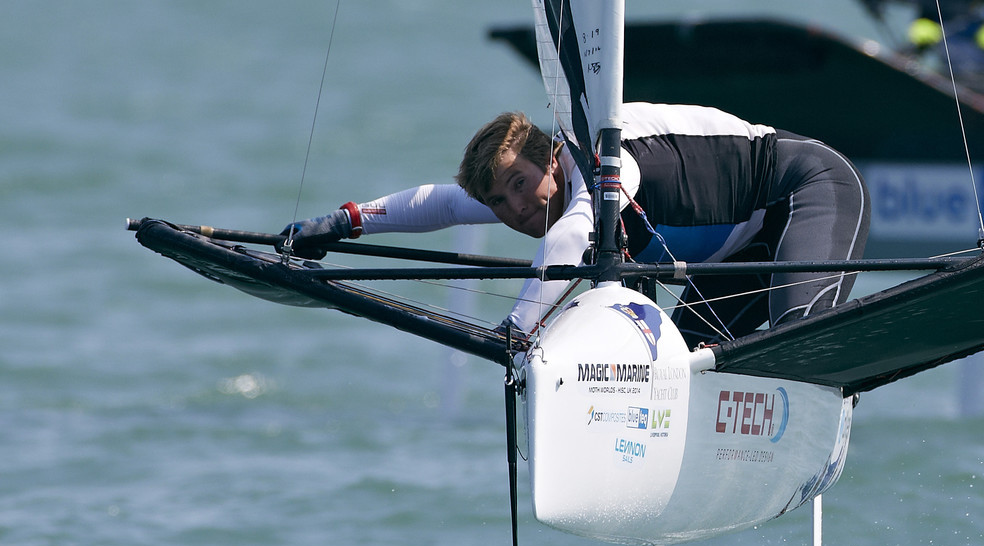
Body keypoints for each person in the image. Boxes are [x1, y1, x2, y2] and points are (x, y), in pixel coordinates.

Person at [283, 103, 870, 345]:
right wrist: (345, 222)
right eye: (499, 201)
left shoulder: (601, 169)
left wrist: (514, 331)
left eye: (520, 186)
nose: (515, 210)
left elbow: (569, 242)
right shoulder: (527, 190)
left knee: (802, 336)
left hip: (808, 188)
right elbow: (436, 203)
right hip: (739, 248)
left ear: (551, 162)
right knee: (690, 367)